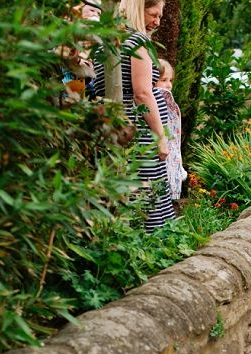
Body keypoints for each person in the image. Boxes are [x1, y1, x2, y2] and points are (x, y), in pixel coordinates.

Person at [93, 0, 175, 232]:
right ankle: (151, 246)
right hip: (138, 129)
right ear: (138, 9)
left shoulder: (104, 41)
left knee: (124, 191)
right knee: (146, 192)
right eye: (153, 14)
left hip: (114, 126)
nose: (157, 21)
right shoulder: (137, 41)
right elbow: (142, 93)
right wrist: (160, 137)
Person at [156, 59, 187, 201]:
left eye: (170, 80)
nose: (168, 85)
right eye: (163, 80)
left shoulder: (168, 101)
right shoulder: (159, 99)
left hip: (172, 161)